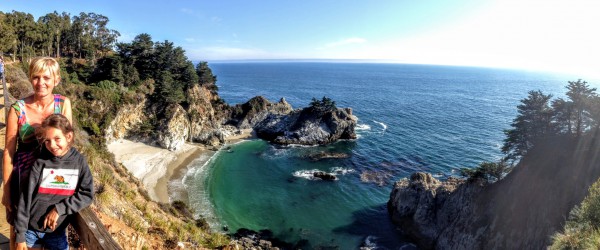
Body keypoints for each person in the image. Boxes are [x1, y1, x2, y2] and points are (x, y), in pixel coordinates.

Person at [1, 57, 72, 249]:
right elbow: (8, 152)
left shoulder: (63, 104)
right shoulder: (18, 109)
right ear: (30, 78)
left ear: (56, 79)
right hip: (22, 184)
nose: (41, 83)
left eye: (46, 77)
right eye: (36, 77)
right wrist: (7, 192)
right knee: (19, 240)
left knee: (53, 232)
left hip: (52, 186)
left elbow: (67, 146)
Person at [15, 114, 93, 250]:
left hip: (56, 231)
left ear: (68, 136)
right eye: (47, 140)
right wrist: (20, 235)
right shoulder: (41, 162)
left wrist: (59, 209)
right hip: (30, 230)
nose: (52, 145)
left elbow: (87, 194)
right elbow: (25, 199)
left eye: (57, 139)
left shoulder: (79, 162)